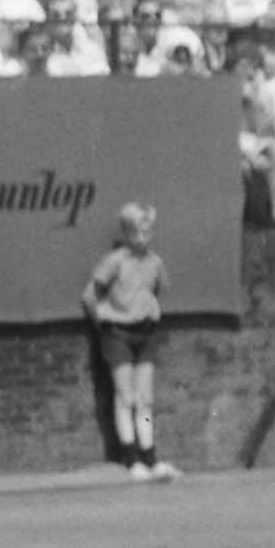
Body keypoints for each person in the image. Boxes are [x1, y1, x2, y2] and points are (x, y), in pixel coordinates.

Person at [83, 199, 177, 480]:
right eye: (137, 233)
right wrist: (105, 322)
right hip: (117, 335)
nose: (143, 238)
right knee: (126, 398)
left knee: (145, 399)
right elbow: (90, 296)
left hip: (145, 334)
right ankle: (132, 458)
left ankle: (150, 456)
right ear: (125, 233)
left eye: (147, 232)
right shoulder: (114, 262)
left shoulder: (155, 262)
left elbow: (153, 294)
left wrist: (147, 313)